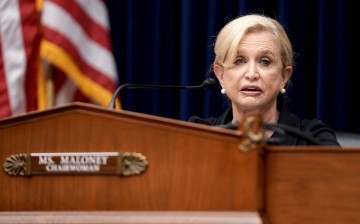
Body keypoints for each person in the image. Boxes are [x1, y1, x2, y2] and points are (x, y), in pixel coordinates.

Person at [188, 14, 340, 146]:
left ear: (284, 76)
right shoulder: (196, 134)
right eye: (239, 60)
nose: (252, 74)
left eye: (265, 61)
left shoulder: (313, 139)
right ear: (221, 75)